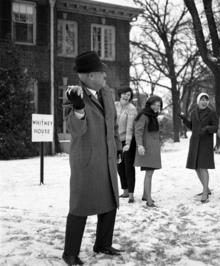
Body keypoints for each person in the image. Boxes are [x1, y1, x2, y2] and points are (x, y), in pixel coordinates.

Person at [62, 51, 124, 266]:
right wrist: (78, 108)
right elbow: (75, 129)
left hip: (106, 158)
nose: (105, 77)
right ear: (89, 76)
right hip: (86, 161)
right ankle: (70, 253)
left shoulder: (106, 93)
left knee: (109, 203)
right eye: (102, 73)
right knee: (80, 206)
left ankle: (103, 244)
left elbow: (113, 123)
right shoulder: (72, 94)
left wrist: (117, 149)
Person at [179, 92, 218, 203]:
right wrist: (184, 119)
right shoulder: (193, 112)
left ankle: (205, 192)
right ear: (198, 101)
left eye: (206, 99)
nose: (204, 102)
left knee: (203, 166)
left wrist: (207, 128)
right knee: (196, 167)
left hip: (206, 142)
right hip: (195, 142)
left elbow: (216, 127)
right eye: (202, 99)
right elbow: (192, 126)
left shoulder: (211, 113)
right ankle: (207, 188)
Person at [134, 95, 163, 207]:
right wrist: (139, 145)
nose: (157, 107)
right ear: (149, 104)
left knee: (150, 173)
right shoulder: (143, 115)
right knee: (149, 174)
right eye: (154, 104)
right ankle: (149, 199)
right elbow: (138, 132)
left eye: (159, 105)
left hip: (153, 150)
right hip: (146, 149)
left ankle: (146, 195)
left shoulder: (153, 116)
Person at [115, 87, 137, 203]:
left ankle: (131, 194)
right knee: (120, 167)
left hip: (128, 141)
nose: (126, 96)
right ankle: (125, 190)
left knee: (129, 167)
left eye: (129, 94)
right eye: (124, 93)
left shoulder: (132, 109)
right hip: (116, 141)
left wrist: (127, 144)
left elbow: (130, 128)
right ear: (120, 94)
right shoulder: (115, 106)